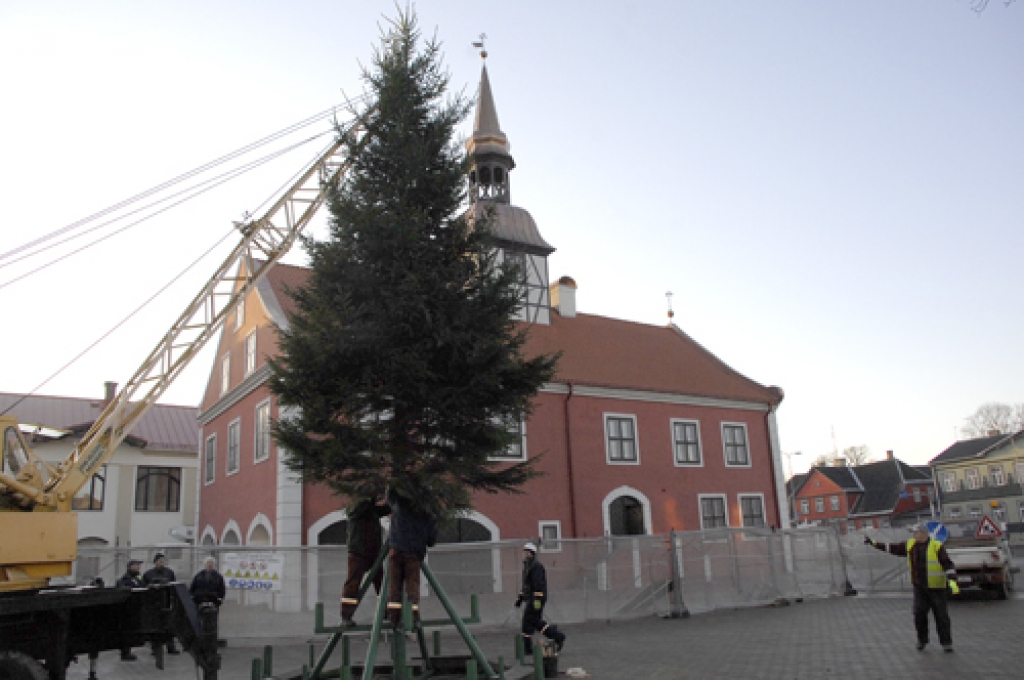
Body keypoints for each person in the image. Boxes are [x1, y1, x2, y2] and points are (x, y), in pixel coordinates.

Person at [865, 524, 959, 652]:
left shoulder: (936, 546)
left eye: (916, 533)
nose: (914, 535)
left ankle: (946, 643)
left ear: (924, 534)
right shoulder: (911, 545)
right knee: (919, 614)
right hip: (920, 587)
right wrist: (874, 543)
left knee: (941, 616)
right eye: (913, 533)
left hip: (937, 588)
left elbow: (947, 563)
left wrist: (952, 580)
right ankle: (922, 640)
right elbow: (892, 548)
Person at [385, 487, 437, 628]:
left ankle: (394, 617)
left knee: (394, 585)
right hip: (413, 552)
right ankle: (413, 617)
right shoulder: (427, 512)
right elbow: (432, 539)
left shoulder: (400, 503)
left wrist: (393, 483)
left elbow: (390, 498)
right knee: (412, 586)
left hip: (396, 549)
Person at [340, 495, 391, 626]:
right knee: (353, 583)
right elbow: (360, 508)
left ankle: (386, 611)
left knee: (381, 583)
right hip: (359, 552)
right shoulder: (356, 508)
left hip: (373, 553)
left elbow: (384, 510)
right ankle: (346, 616)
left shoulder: (371, 510)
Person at [515, 542, 565, 655]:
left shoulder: (536, 566)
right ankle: (557, 637)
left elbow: (539, 584)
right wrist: (520, 598)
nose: (523, 553)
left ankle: (556, 637)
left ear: (530, 553)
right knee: (534, 622)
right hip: (532, 598)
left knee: (529, 622)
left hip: (536, 598)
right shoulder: (528, 566)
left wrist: (537, 599)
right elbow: (526, 585)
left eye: (526, 551)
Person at [143, 552, 180, 654]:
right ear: (155, 562)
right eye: (159, 561)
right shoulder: (148, 574)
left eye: (163, 561)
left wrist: (173, 600)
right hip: (153, 603)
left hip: (166, 602)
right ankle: (155, 648)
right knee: (155, 626)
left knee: (169, 625)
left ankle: (170, 647)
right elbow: (144, 588)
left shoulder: (169, 572)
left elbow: (173, 587)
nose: (161, 563)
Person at [115, 559, 144, 661]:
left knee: (131, 631)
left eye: (138, 566)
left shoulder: (138, 578)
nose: (138, 568)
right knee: (126, 631)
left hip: (136, 608)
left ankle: (128, 650)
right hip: (127, 610)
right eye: (136, 566)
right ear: (130, 567)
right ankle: (125, 651)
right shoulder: (124, 580)